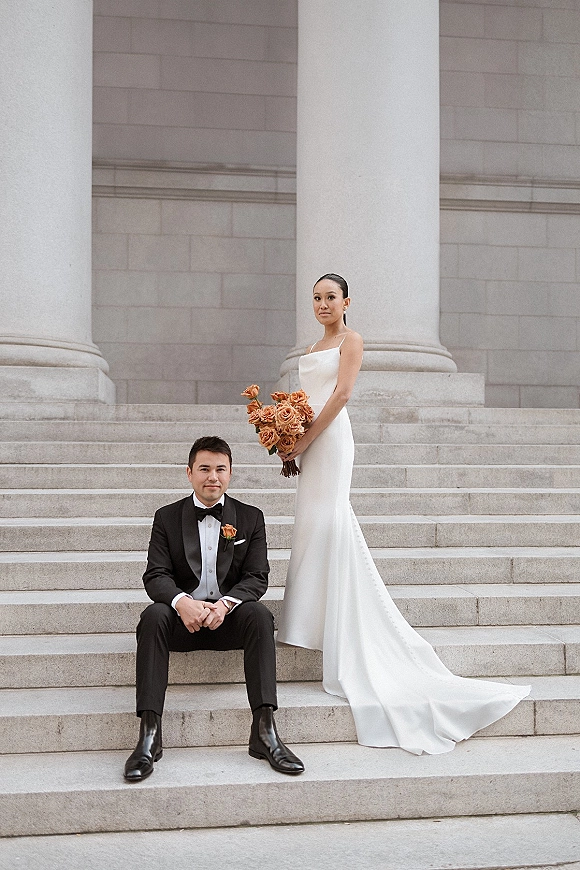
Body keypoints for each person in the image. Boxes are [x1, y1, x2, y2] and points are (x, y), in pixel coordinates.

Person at [277, 273, 530, 754]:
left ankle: (340, 625)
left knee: (331, 521)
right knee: (313, 526)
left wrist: (305, 440)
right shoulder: (311, 344)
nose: (322, 304)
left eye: (331, 297)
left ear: (347, 301)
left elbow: (342, 394)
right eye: (316, 298)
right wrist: (286, 437)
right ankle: (307, 621)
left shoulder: (352, 340)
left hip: (330, 440)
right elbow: (301, 400)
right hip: (307, 440)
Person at [124, 435, 304, 781]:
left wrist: (225, 604)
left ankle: (265, 730)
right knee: (153, 615)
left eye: (221, 469)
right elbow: (156, 575)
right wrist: (182, 603)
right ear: (189, 472)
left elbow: (257, 576)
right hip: (182, 623)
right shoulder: (166, 517)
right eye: (204, 469)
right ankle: (149, 733)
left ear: (231, 473)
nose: (213, 477)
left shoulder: (250, 518)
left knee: (260, 615)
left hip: (228, 622)